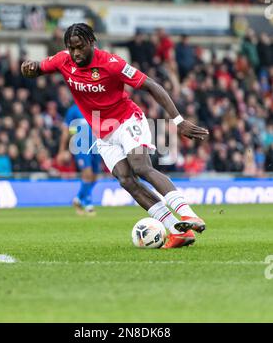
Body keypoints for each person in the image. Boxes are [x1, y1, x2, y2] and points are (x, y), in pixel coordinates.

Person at [21, 23, 209, 249]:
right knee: (126, 179)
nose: (76, 53)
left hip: (127, 121)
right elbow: (38, 67)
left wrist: (178, 121)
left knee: (141, 167)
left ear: (92, 42)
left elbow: (151, 85)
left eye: (80, 47)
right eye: (71, 49)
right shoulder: (64, 60)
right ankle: (177, 231)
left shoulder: (112, 63)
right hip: (102, 133)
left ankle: (188, 215)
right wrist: (28, 67)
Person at [58, 103, 100, 216]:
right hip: (81, 144)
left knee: (95, 176)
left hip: (97, 145)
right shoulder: (73, 110)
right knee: (87, 173)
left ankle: (78, 198)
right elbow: (66, 131)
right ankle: (88, 204)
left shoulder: (96, 107)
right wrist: (62, 150)